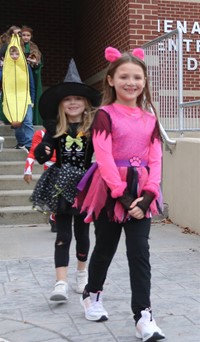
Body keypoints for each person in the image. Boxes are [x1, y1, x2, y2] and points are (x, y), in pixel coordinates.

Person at [75, 47, 165, 341]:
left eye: (137, 77)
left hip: (143, 194)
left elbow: (156, 159)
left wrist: (148, 196)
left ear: (144, 81)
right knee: (105, 248)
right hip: (110, 193)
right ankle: (92, 293)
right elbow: (103, 158)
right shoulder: (104, 115)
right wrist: (124, 198)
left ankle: (143, 316)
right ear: (111, 80)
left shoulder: (150, 119)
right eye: (124, 76)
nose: (131, 82)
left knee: (140, 253)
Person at [30, 59, 100, 301]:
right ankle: (61, 282)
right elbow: (42, 153)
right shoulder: (54, 128)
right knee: (63, 235)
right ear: (61, 104)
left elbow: (103, 151)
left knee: (82, 234)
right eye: (68, 99)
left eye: (78, 99)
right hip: (60, 184)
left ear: (86, 103)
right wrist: (44, 152)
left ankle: (82, 275)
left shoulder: (93, 128)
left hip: (85, 186)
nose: (73, 102)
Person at [23, 128, 57, 232]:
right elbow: (33, 152)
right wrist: (28, 171)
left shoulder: (70, 130)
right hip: (51, 168)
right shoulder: (41, 133)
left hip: (69, 167)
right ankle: (54, 218)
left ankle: (55, 217)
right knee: (56, 194)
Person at [6, 45, 34, 151]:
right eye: (12, 53)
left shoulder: (26, 67)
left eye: (17, 53)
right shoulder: (6, 67)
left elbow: (31, 84)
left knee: (28, 121)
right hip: (12, 99)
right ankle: (21, 142)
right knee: (17, 122)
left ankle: (29, 144)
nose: (14, 56)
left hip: (25, 98)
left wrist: (32, 99)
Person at [20, 25, 43, 125]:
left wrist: (34, 62)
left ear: (31, 36)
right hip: (19, 73)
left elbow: (38, 60)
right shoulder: (17, 45)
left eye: (28, 35)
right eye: (23, 35)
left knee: (31, 90)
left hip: (30, 72)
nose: (25, 37)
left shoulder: (34, 47)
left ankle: (31, 117)